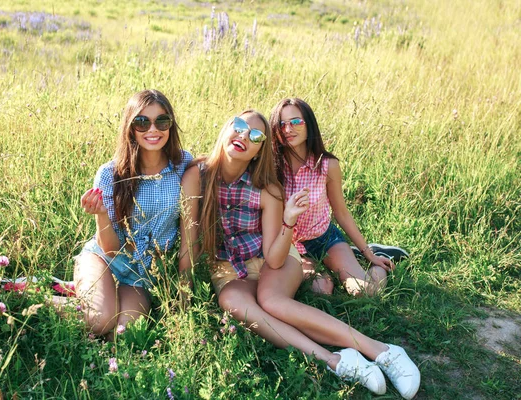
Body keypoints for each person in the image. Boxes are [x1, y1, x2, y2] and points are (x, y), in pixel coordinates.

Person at [179, 111, 420, 398]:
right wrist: (183, 295)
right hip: (229, 269)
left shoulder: (266, 188)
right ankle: (336, 360)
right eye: (240, 127)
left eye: (255, 136)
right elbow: (189, 242)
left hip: (274, 258)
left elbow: (275, 258)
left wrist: (289, 220)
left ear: (259, 152)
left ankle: (383, 351)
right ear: (226, 127)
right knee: (230, 300)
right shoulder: (197, 174)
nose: (244, 136)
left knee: (272, 301)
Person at [52, 89, 192, 336]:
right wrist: (101, 213)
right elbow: (109, 248)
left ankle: (81, 293)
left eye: (162, 121)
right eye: (142, 122)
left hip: (141, 275)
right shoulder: (110, 173)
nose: (153, 129)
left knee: (125, 333)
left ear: (171, 125)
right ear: (130, 127)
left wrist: (184, 289)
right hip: (104, 259)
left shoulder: (182, 165)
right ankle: (33, 295)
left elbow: (190, 231)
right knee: (100, 321)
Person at [269, 97, 408, 296]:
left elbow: (341, 213)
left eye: (296, 122)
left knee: (363, 291)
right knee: (321, 290)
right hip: (290, 245)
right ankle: (335, 266)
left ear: (310, 125)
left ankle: (371, 254)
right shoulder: (271, 167)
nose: (288, 129)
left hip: (324, 238)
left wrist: (369, 254)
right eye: (282, 124)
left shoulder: (327, 165)